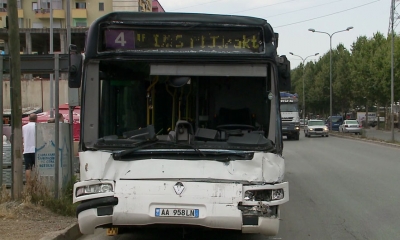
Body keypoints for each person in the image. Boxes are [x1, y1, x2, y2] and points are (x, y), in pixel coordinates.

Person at [22, 113, 37, 181]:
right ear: (36, 119)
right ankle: (38, 184)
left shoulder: (24, 127)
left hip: (27, 150)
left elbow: (22, 138)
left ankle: (28, 184)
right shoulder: (37, 126)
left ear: (29, 118)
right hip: (36, 150)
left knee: (28, 168)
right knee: (37, 168)